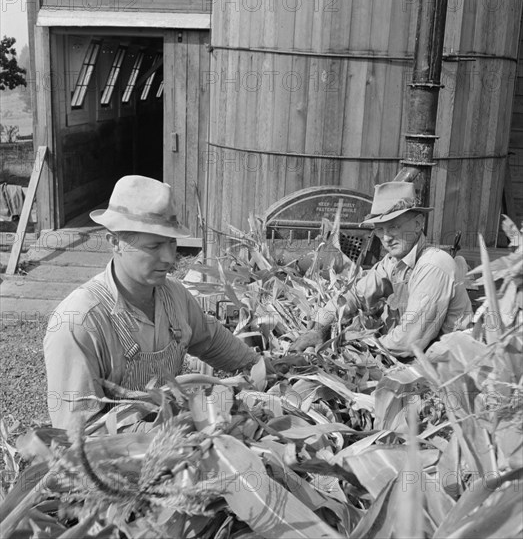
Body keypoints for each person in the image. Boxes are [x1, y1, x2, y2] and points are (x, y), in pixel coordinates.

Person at [44, 175, 266, 432]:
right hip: (117, 460)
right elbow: (81, 432)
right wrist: (168, 432)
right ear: (115, 242)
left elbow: (211, 338)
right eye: (155, 245)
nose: (169, 258)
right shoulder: (79, 322)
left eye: (172, 243)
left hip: (173, 443)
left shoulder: (173, 295)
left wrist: (256, 365)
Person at [290, 181, 472, 358]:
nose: (386, 238)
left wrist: (350, 342)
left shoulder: (433, 266)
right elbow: (355, 295)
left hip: (449, 367)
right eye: (379, 229)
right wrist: (318, 328)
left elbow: (407, 344)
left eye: (394, 227)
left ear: (418, 224)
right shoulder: (393, 262)